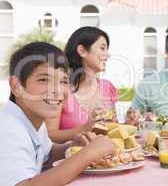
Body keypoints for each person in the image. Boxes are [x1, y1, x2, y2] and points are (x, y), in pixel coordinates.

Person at [0, 42, 115, 186]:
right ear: (16, 87)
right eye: (43, 79)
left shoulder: (32, 120)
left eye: (63, 81)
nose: (57, 90)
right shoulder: (8, 129)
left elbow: (47, 154)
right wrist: (89, 154)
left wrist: (72, 145)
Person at [46, 27, 118, 143]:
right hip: (69, 158)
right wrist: (84, 129)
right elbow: (50, 135)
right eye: (102, 48)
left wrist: (129, 124)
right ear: (82, 51)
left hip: (105, 159)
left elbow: (114, 129)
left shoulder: (107, 87)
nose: (108, 54)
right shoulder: (60, 90)